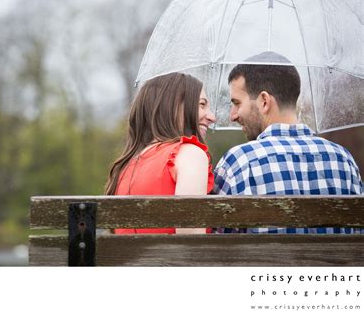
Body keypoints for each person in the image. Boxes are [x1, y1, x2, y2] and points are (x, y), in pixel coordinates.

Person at [214, 51, 362, 234]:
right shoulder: (344, 160)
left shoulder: (239, 163)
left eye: (237, 103)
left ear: (264, 101)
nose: (233, 115)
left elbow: (220, 250)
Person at [105, 72, 216, 234]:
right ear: (174, 106)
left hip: (125, 259)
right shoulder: (190, 155)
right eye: (202, 105)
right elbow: (191, 241)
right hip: (170, 259)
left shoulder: (126, 166)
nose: (212, 117)